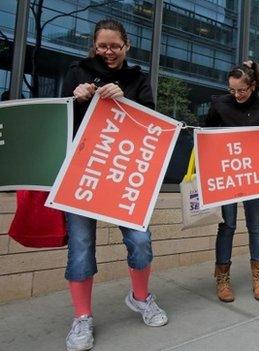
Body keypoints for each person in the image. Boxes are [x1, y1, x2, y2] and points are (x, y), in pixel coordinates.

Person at [60, 19, 168, 351]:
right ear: (94, 46)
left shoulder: (138, 79)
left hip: (125, 175)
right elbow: (59, 120)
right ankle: (82, 318)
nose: (108, 52)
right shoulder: (77, 71)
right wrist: (74, 98)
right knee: (80, 248)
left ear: (127, 46)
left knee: (140, 241)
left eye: (115, 46)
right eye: (102, 46)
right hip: (83, 174)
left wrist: (126, 100)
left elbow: (151, 122)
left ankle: (140, 298)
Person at [203, 60, 259, 303]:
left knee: (256, 226)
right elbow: (205, 133)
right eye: (232, 90)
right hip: (227, 174)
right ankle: (222, 278)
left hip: (255, 175)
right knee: (227, 226)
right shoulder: (219, 104)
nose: (237, 95)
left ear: (253, 86)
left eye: (242, 90)